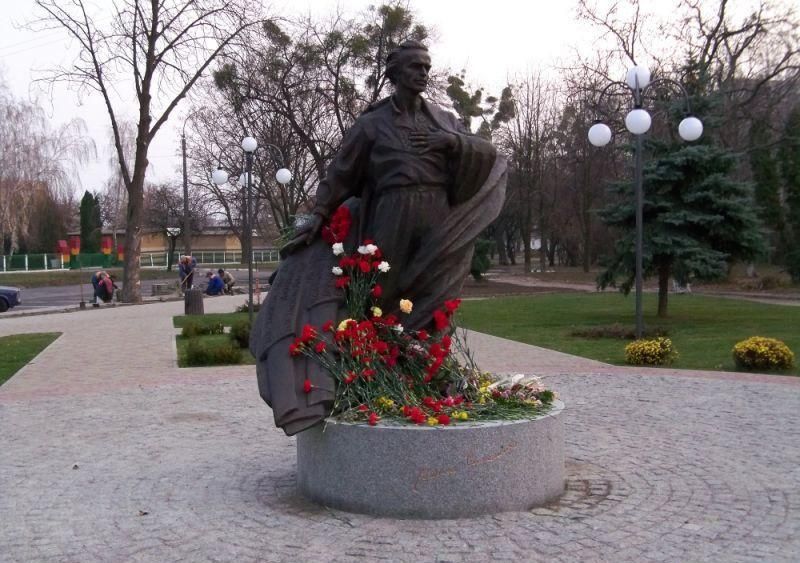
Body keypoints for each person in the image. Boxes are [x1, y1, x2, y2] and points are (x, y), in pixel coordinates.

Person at [251, 40, 506, 435]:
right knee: (383, 298)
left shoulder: (443, 119)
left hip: (438, 214)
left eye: (426, 66)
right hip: (392, 213)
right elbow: (340, 174)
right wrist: (318, 216)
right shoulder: (371, 124)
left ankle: (428, 372)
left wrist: (450, 142)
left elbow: (486, 152)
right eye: (415, 67)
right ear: (394, 74)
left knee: (437, 297)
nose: (423, 73)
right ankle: (374, 378)